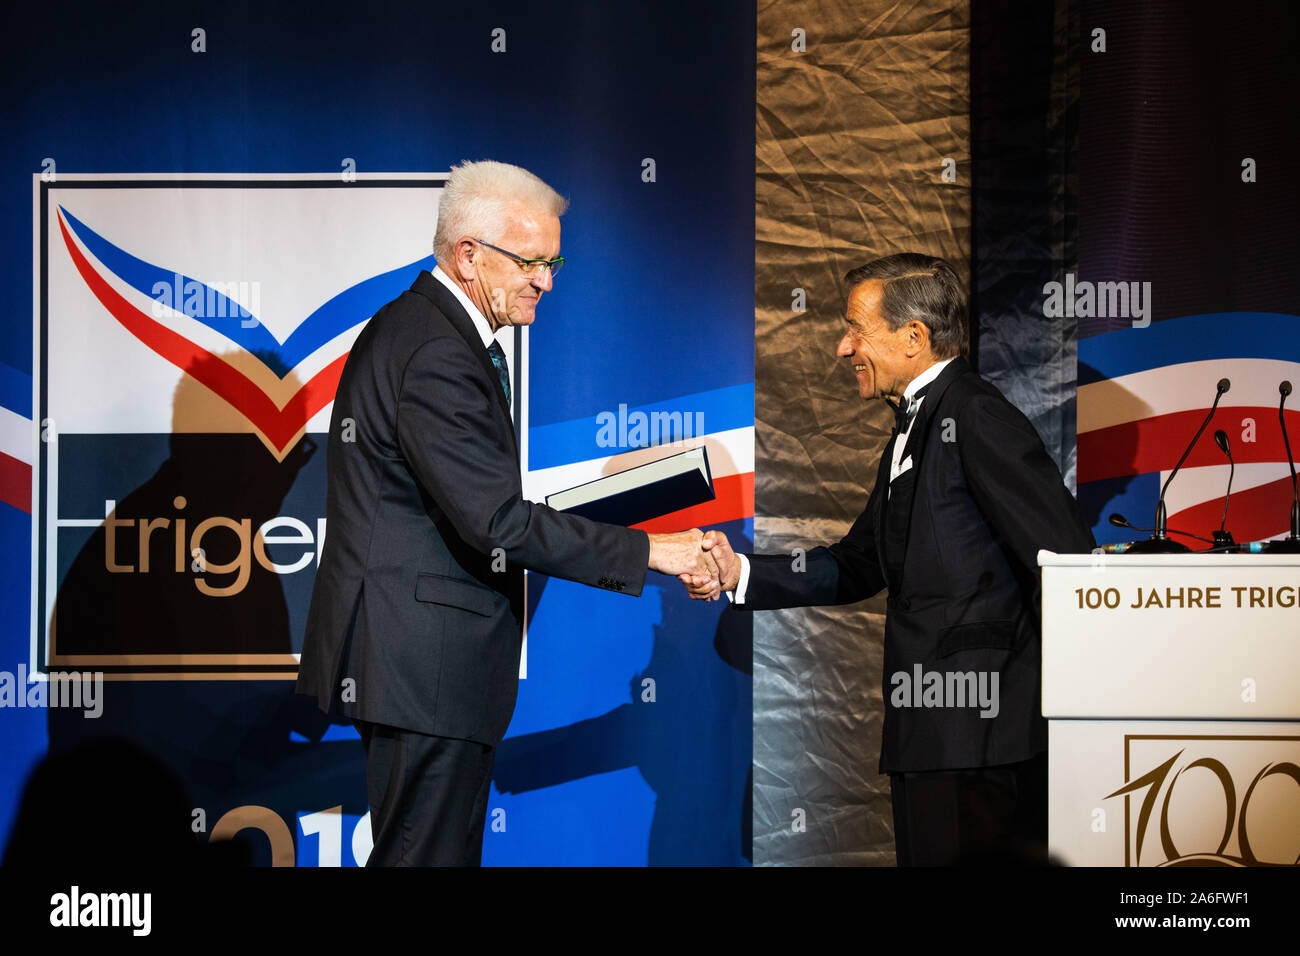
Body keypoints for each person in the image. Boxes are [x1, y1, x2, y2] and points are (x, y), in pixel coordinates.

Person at [297, 160, 718, 866]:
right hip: (425, 672)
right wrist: (657, 553)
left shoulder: (429, 333)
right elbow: (495, 522)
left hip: (426, 671)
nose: (546, 280)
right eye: (530, 262)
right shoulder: (435, 349)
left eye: (554, 262)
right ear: (468, 255)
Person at [683, 253, 1095, 865]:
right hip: (928, 731)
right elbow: (857, 563)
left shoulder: (975, 414)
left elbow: (1063, 558)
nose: (843, 348)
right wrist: (738, 571)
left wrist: (1061, 715)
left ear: (913, 337)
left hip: (982, 737)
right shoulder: (913, 427)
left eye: (855, 329)